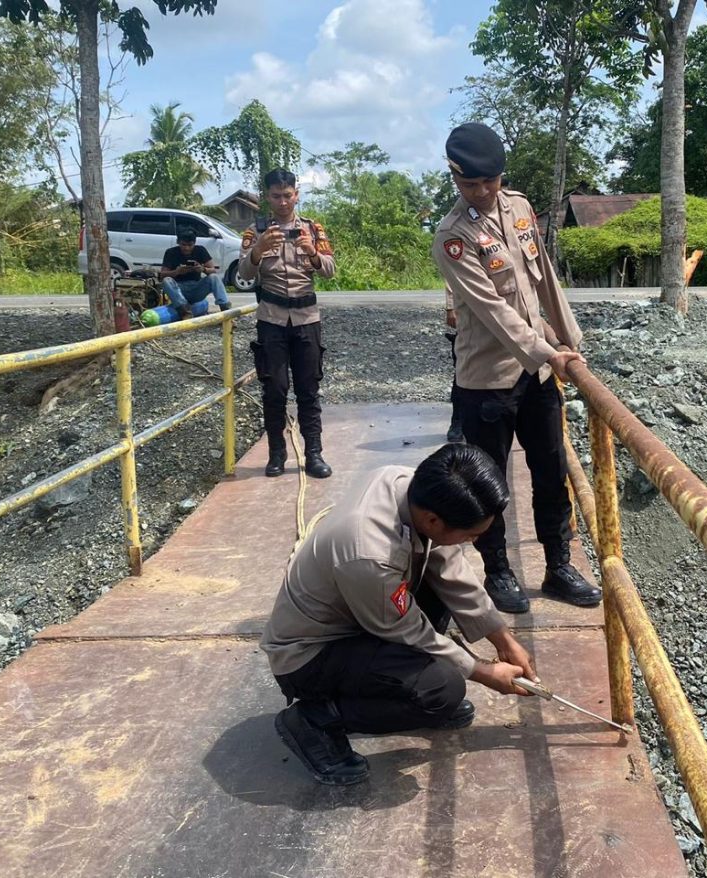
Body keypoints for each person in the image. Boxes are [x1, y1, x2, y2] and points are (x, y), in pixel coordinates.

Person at [262, 443, 538, 786]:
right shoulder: (369, 554)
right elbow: (408, 630)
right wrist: (481, 672)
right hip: (310, 655)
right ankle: (314, 720)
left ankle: (402, 690)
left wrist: (503, 638)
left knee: (438, 590)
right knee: (443, 688)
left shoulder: (406, 485)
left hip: (362, 614)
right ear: (434, 520)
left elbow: (448, 565)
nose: (471, 542)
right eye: (470, 535)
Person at [431, 122, 601, 615]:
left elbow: (543, 279)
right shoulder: (453, 237)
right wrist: (551, 354)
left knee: (550, 470)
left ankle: (559, 565)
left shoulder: (521, 207)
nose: (483, 193)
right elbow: (496, 313)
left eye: (491, 182)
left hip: (539, 375)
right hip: (486, 380)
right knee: (490, 482)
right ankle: (498, 572)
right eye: (471, 185)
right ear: (455, 180)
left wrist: (570, 343)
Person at [237, 168, 336, 479]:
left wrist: (313, 253)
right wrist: (258, 251)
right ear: (268, 197)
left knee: (308, 389)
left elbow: (331, 271)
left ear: (297, 194)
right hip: (272, 320)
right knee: (275, 390)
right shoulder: (256, 232)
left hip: (307, 318)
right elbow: (244, 273)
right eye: (276, 196)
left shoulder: (312, 230)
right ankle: (276, 453)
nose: (283, 202)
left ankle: (314, 453)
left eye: (288, 195)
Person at [159, 229, 231, 316]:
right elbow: (162, 274)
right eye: (183, 245)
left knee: (214, 277)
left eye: (190, 245)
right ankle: (184, 311)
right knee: (167, 280)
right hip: (179, 289)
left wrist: (203, 269)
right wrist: (176, 272)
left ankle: (226, 310)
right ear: (178, 242)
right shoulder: (171, 252)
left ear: (194, 243)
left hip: (196, 287)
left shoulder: (200, 250)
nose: (186, 248)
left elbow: (213, 270)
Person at [443, 283, 464, 444]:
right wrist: (451, 307)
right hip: (470, 314)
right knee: (462, 372)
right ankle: (458, 421)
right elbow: (451, 272)